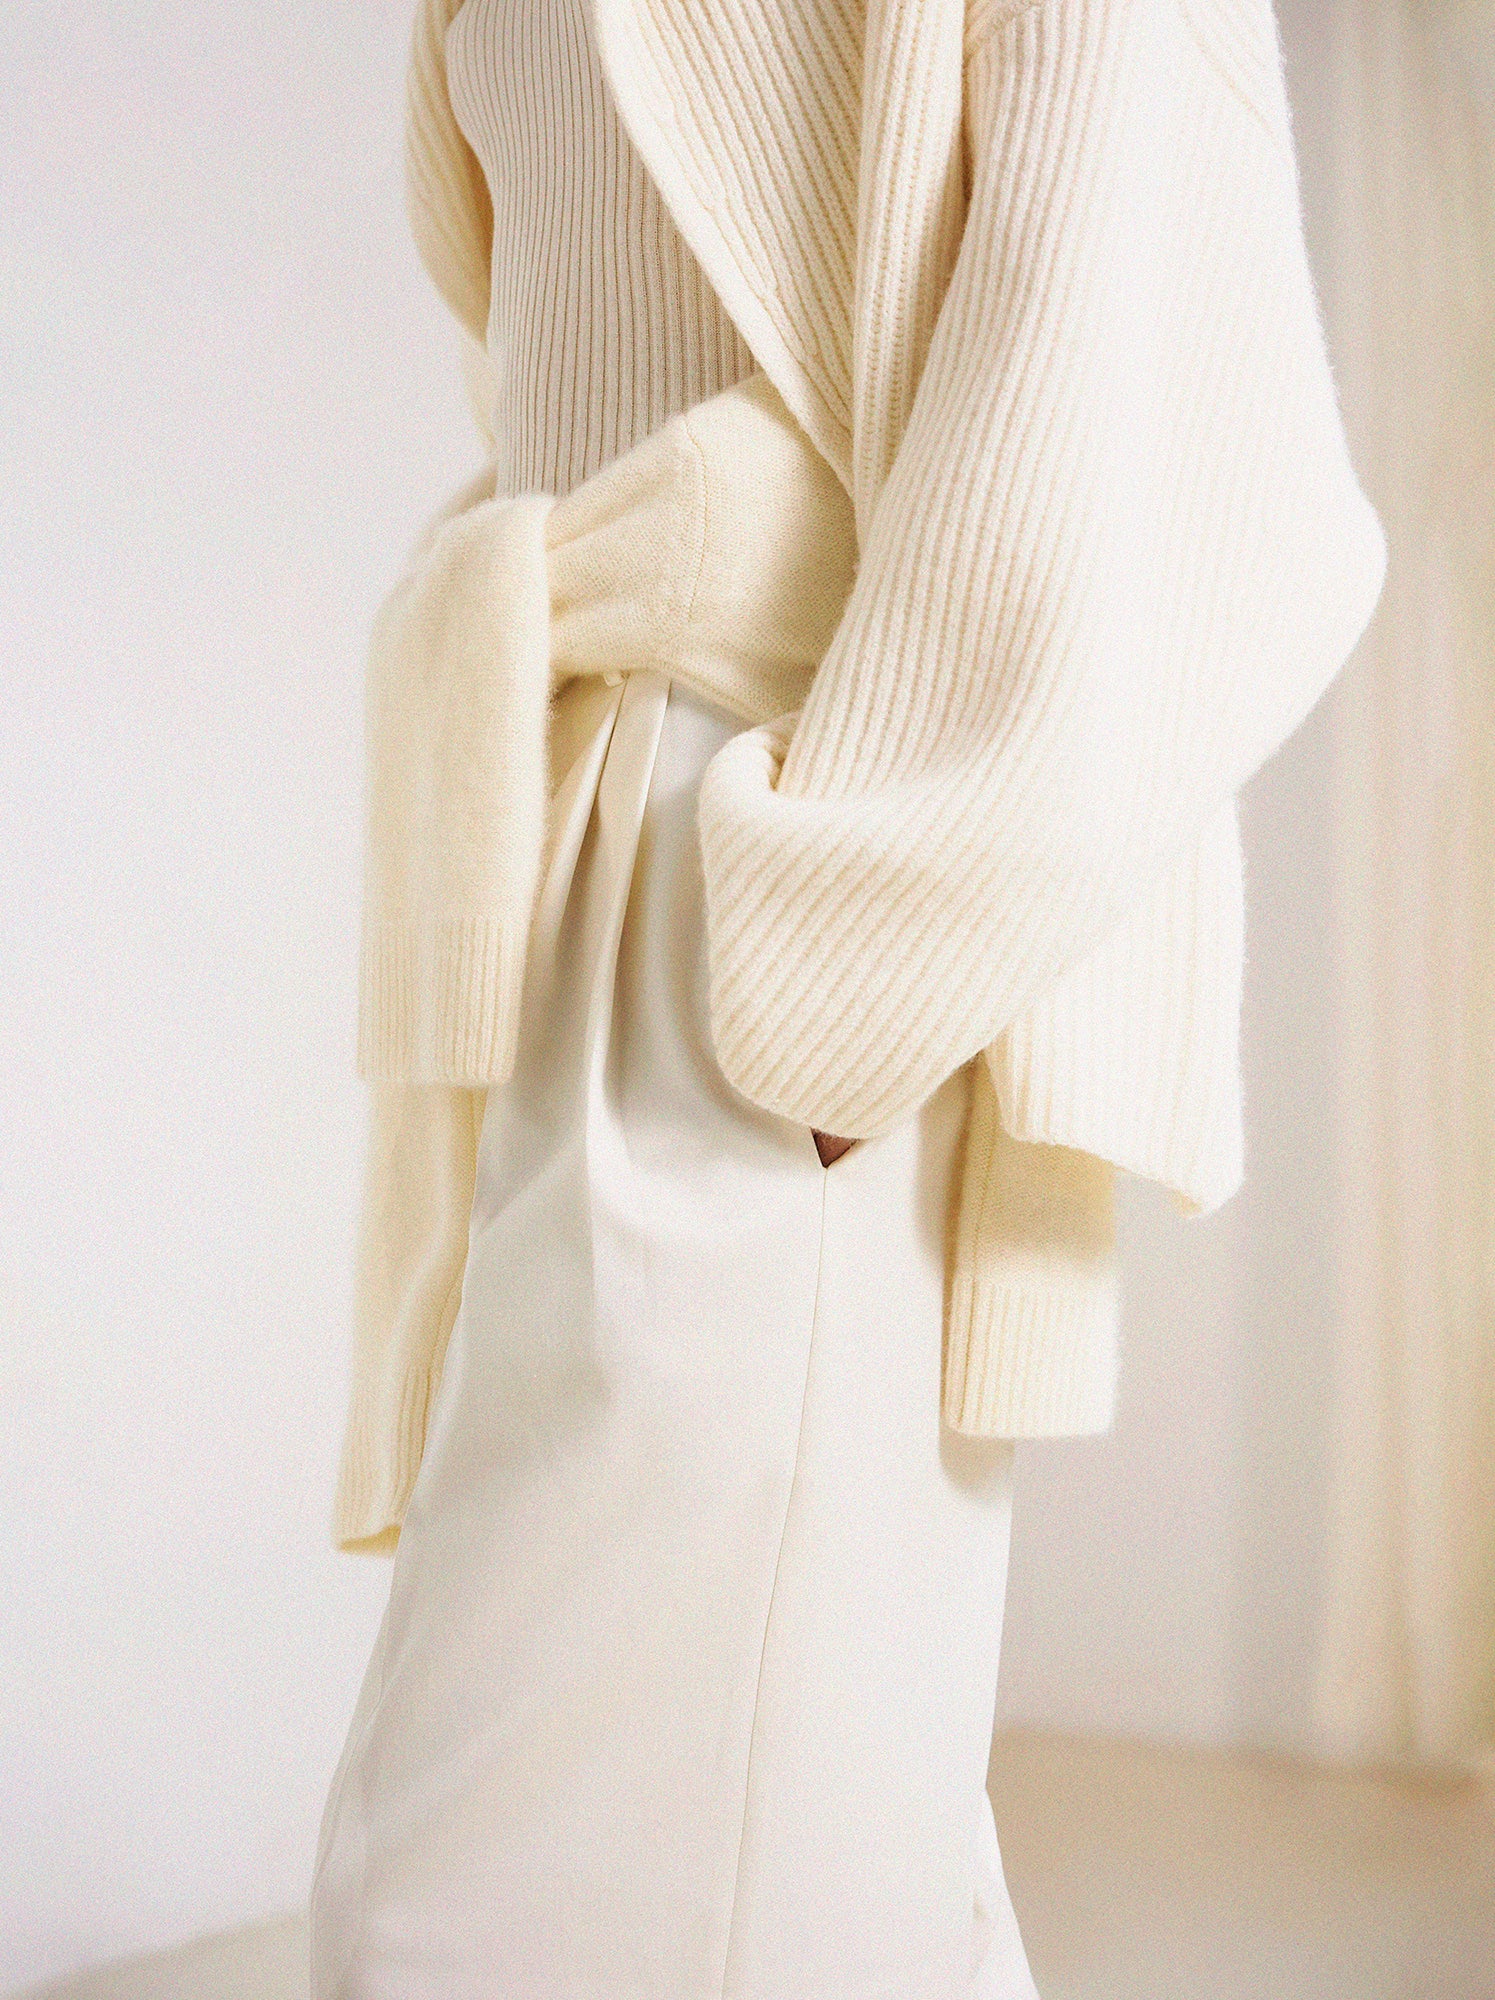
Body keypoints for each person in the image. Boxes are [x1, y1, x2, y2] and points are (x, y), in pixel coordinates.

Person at [309, 0, 1386, 1991]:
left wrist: (852, 949)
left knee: (491, 1876)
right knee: (806, 1834)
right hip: (570, 845)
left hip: (802, 874)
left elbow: (1160, 378)